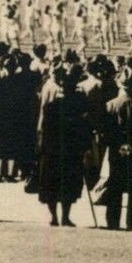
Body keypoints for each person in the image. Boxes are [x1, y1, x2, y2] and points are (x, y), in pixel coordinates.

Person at [96, 70, 132, 231]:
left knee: (115, 187)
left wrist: (119, 144)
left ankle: (113, 221)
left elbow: (106, 130)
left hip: (116, 151)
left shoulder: (111, 105)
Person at [36, 66, 91, 227]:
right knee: (69, 184)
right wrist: (85, 147)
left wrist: (41, 148)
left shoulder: (51, 107)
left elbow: (44, 130)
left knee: (51, 184)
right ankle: (65, 216)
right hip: (71, 151)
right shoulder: (78, 107)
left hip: (52, 150)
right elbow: (84, 128)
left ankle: (54, 217)